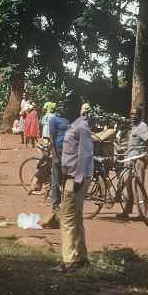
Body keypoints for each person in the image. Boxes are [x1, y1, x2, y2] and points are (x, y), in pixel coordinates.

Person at [59, 97, 94, 271]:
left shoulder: (80, 127)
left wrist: (78, 180)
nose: (62, 109)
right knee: (77, 218)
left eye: (66, 106)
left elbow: (85, 156)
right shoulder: (75, 126)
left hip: (75, 179)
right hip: (73, 178)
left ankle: (69, 260)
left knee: (67, 219)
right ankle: (81, 257)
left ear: (74, 109)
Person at [118, 108, 148, 221]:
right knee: (127, 183)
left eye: (136, 114)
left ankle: (143, 213)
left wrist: (145, 152)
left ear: (140, 116)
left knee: (139, 185)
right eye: (131, 114)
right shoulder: (133, 127)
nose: (133, 116)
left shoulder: (142, 126)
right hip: (130, 159)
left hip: (139, 159)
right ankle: (127, 210)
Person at [45, 105, 72, 229]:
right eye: (60, 107)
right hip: (58, 152)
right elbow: (52, 138)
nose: (63, 109)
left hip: (68, 154)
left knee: (67, 181)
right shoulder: (54, 120)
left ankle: (66, 204)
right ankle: (55, 204)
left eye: (64, 107)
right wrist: (55, 155)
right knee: (56, 181)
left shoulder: (69, 120)